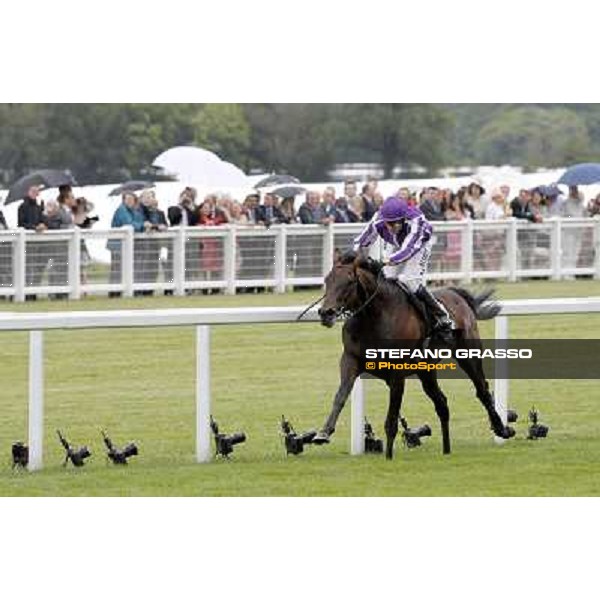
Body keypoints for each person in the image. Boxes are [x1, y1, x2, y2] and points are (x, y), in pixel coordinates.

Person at [352, 196, 455, 339]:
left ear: (404, 218)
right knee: (386, 280)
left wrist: (384, 261)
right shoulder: (378, 219)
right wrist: (353, 255)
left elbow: (408, 250)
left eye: (396, 223)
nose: (393, 227)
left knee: (410, 281)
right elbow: (363, 239)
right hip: (395, 243)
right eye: (390, 224)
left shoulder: (416, 220)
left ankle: (442, 316)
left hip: (419, 245)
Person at [17, 185, 47, 299]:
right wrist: (34, 227)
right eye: (34, 191)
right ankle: (27, 292)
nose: (36, 194)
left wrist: (43, 224)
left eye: (37, 191)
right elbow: (21, 224)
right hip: (27, 242)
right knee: (28, 267)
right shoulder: (22, 207)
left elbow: (42, 220)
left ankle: (33, 292)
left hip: (38, 242)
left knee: (37, 267)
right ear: (28, 192)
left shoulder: (38, 207)